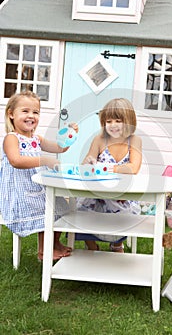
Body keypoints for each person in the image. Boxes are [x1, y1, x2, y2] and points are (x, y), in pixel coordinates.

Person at [0, 91, 78, 261]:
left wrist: (70, 135)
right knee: (46, 210)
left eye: (35, 112)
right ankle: (44, 250)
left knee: (62, 207)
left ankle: (54, 244)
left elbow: (60, 147)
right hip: (19, 194)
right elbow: (16, 161)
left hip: (36, 189)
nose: (31, 116)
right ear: (11, 114)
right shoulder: (11, 138)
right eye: (25, 111)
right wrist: (43, 160)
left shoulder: (36, 138)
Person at [76, 98, 142, 253]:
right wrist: (89, 162)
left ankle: (117, 244)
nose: (112, 125)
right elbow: (87, 163)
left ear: (128, 121)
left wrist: (105, 168)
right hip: (98, 191)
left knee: (122, 213)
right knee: (80, 205)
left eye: (118, 121)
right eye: (108, 121)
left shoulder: (134, 140)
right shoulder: (99, 140)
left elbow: (134, 168)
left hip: (121, 193)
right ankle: (91, 244)